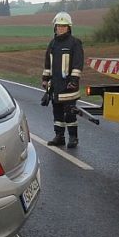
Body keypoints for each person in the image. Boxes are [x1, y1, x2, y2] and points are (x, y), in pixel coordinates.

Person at [41, 11, 84, 148]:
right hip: (56, 85)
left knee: (70, 112)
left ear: (69, 27)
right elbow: (47, 64)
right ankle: (59, 136)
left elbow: (78, 64)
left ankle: (73, 137)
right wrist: (45, 79)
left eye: (64, 26)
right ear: (55, 27)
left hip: (69, 86)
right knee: (57, 112)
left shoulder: (74, 43)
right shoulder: (52, 44)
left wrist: (74, 80)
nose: (61, 28)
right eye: (59, 26)